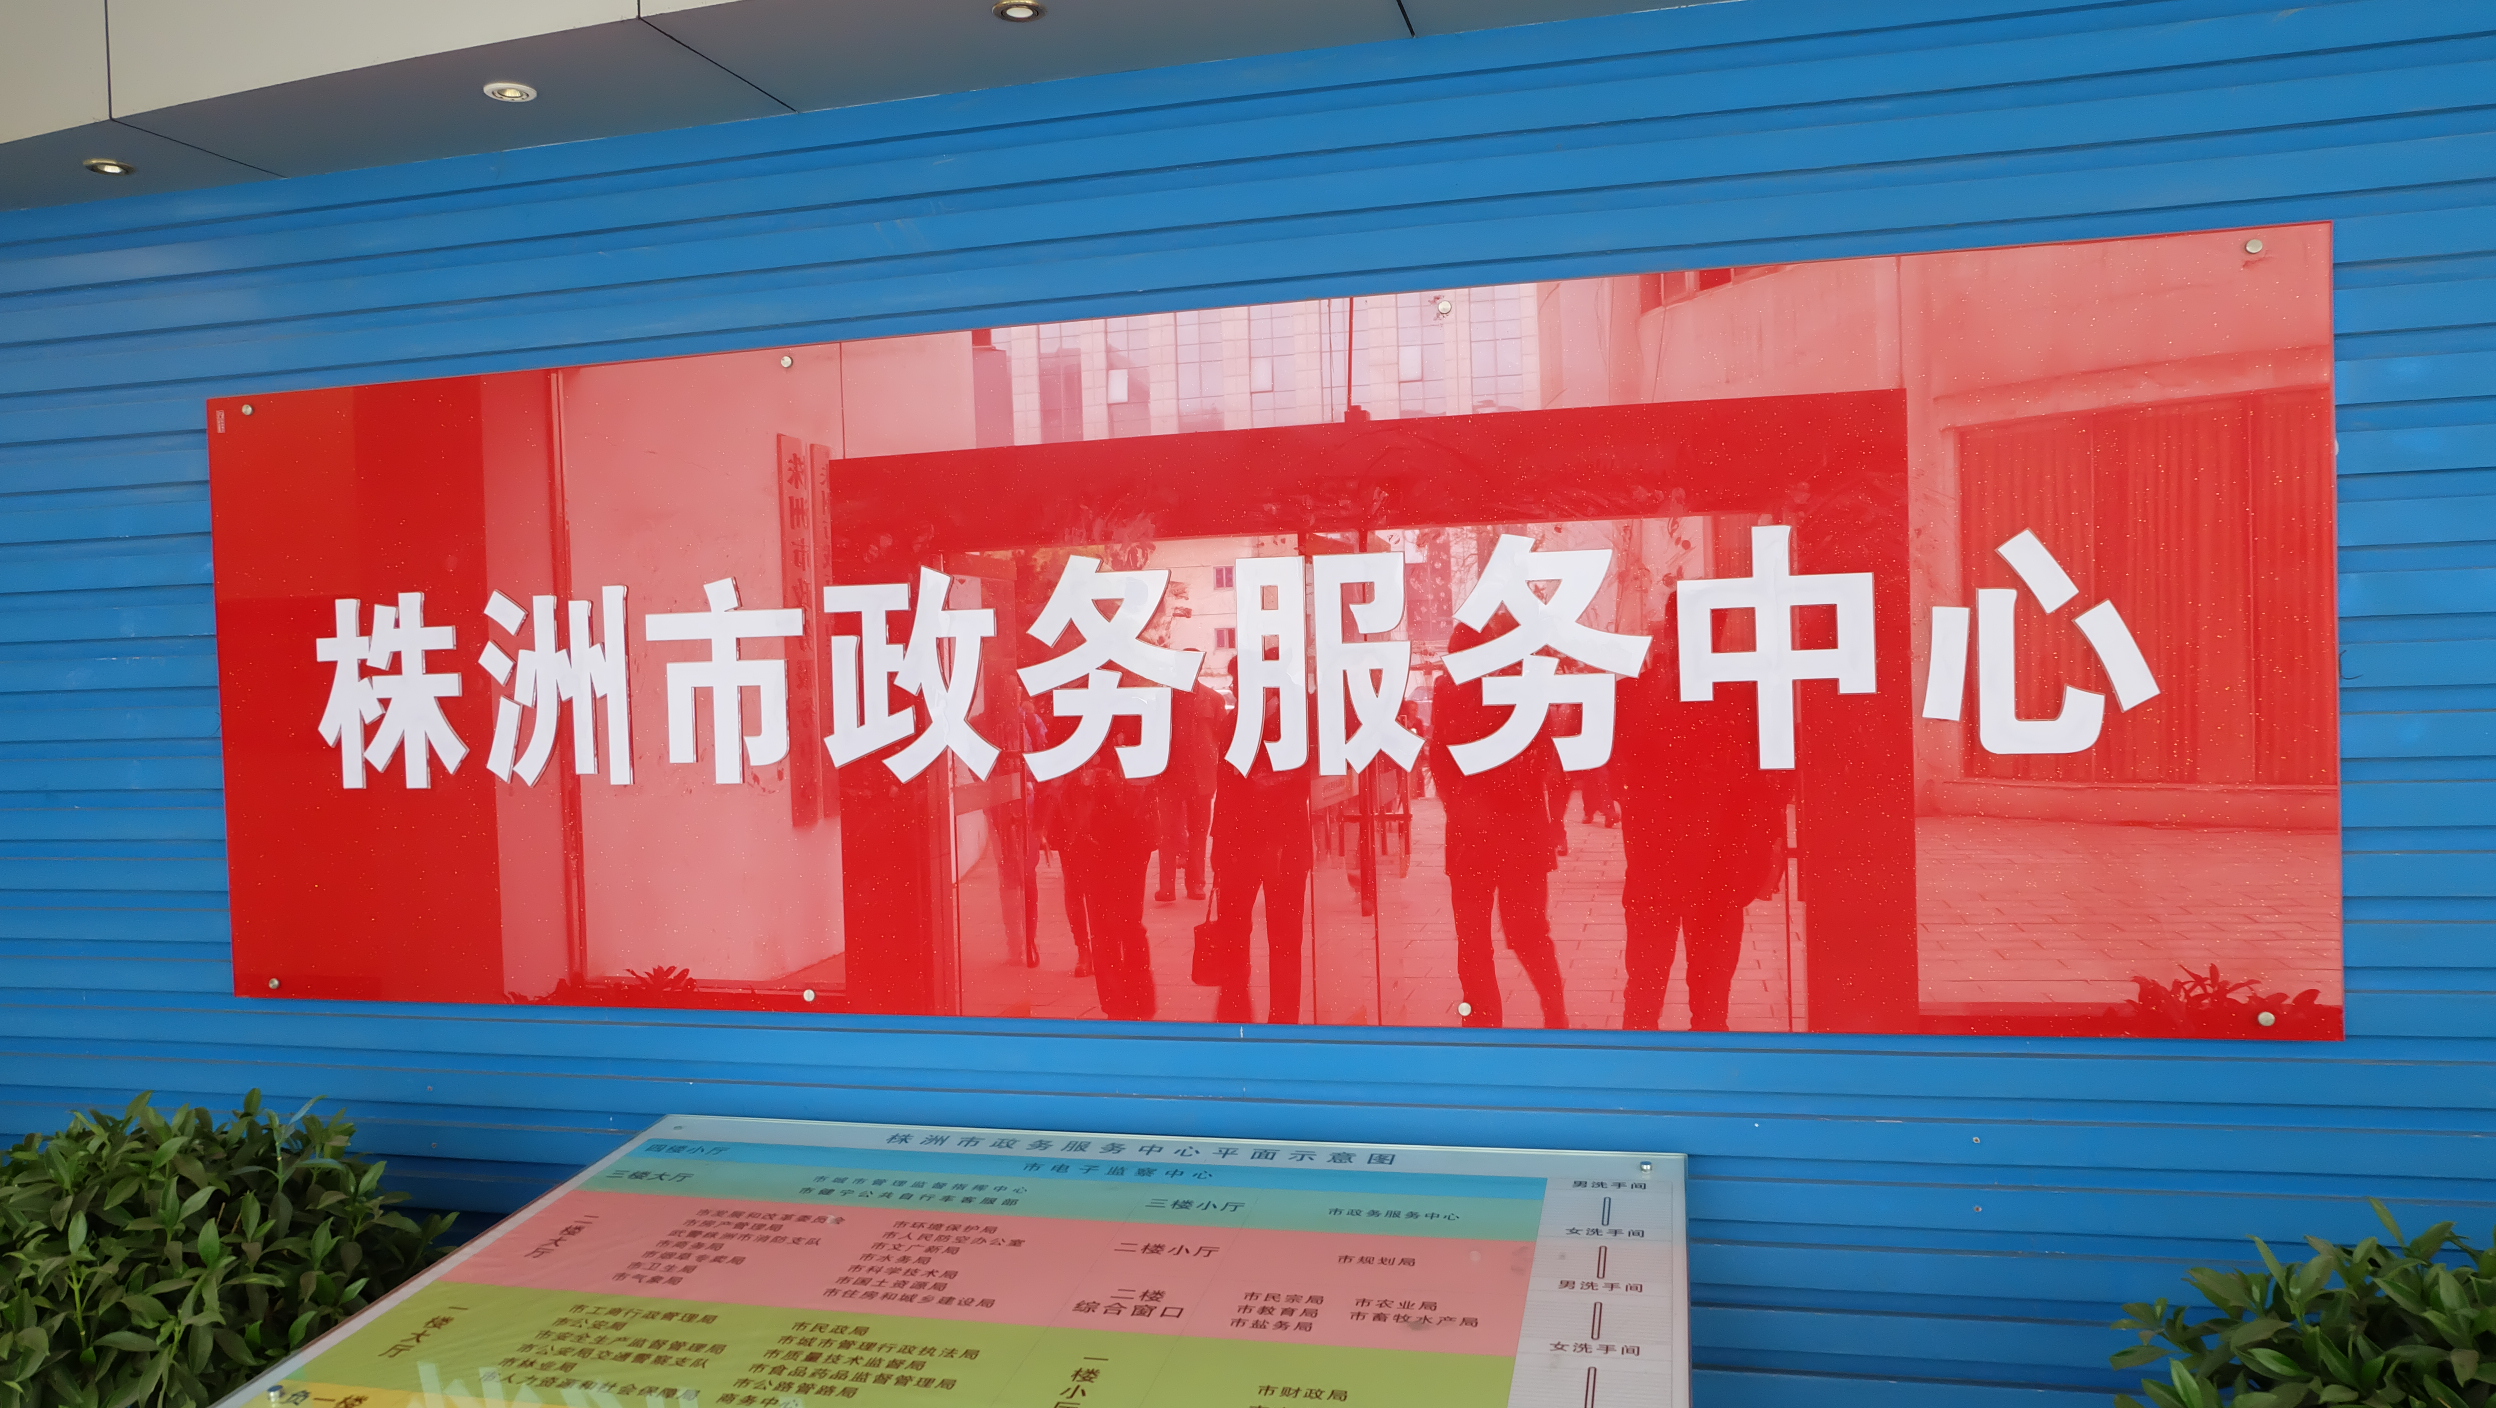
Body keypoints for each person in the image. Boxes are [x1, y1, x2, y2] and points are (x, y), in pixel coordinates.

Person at [1612, 593, 1791, 1032]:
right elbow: (1768, 780)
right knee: (1691, 997)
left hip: (1686, 859)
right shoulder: (1740, 695)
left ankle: (1646, 1059)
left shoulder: (1641, 692)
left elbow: (1767, 780)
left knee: (1657, 992)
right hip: (1698, 860)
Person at [1427, 618, 1569, 1029]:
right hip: (1517, 830)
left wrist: (1459, 803)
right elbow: (1542, 760)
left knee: (1475, 940)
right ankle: (1554, 1013)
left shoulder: (1451, 691)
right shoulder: (1522, 686)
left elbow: (1440, 758)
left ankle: (1484, 1022)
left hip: (1475, 832)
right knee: (1528, 933)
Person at [1040, 702, 1161, 1020]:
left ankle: (1138, 999)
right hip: (1090, 835)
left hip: (1128, 834)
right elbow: (1056, 774)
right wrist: (1082, 782)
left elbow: (1150, 776)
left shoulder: (1137, 713)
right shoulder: (1071, 717)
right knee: (1106, 925)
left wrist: (1111, 782)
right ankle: (1116, 1003)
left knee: (1128, 922)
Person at [1210, 652, 1313, 1024]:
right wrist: (1218, 844)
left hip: (1283, 846)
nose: (1235, 687)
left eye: (1240, 681)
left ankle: (1283, 1020)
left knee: (1284, 937)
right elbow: (1225, 788)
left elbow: (1303, 780)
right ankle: (1237, 1010)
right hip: (1239, 844)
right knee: (1234, 928)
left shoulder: (1297, 720)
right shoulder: (1232, 721)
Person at [1154, 683, 1221, 902]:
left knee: (1198, 833)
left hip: (1201, 777)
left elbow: (1221, 737)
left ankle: (1196, 884)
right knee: (1166, 833)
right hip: (1169, 776)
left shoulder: (1213, 699)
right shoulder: (1162, 698)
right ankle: (1167, 887)